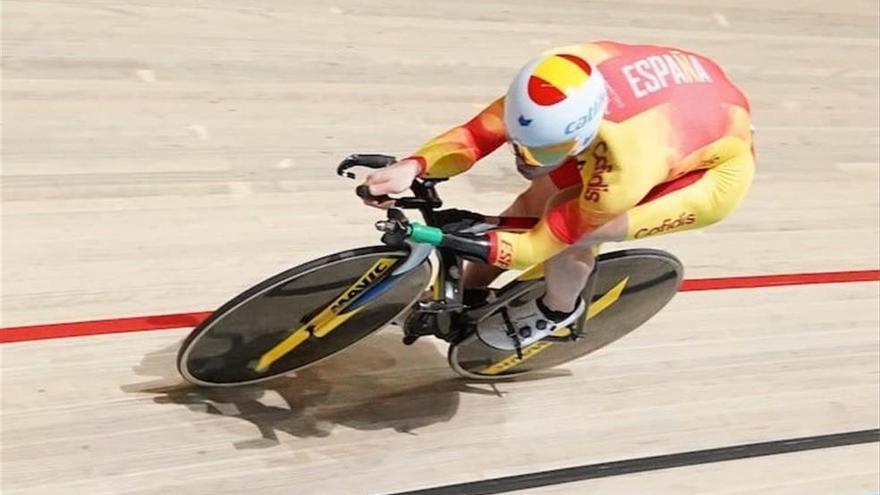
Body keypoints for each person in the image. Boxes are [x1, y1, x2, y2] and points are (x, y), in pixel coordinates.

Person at [360, 41, 755, 351]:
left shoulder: (627, 166)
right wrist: (412, 166)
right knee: (531, 201)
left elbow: (536, 247)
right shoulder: (551, 83)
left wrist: (450, 239)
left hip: (710, 172)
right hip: (681, 100)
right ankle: (472, 290)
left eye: (543, 151)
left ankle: (559, 308)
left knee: (573, 233)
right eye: (519, 143)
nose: (527, 161)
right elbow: (477, 135)